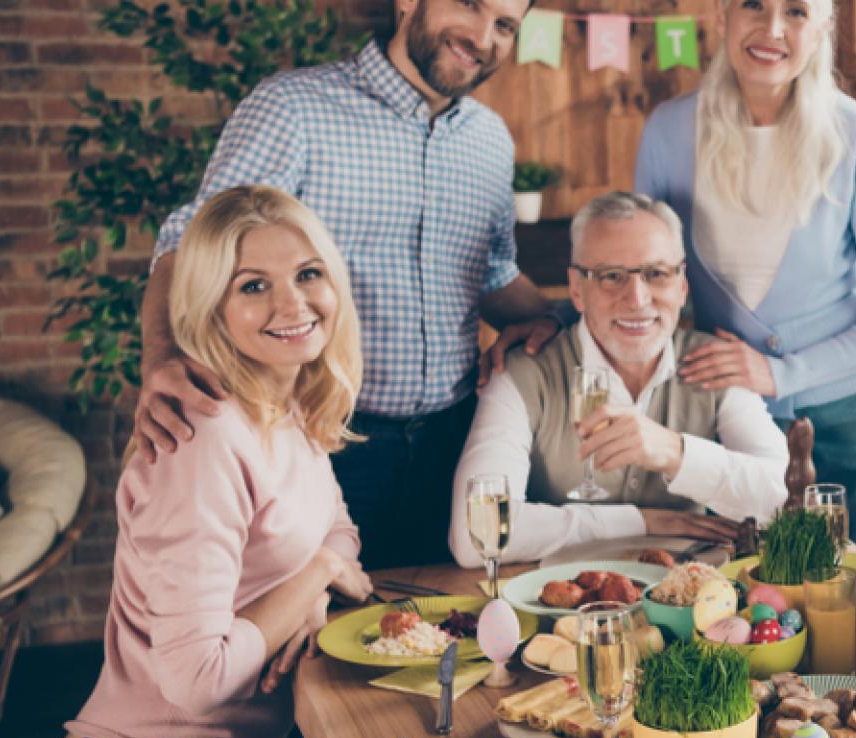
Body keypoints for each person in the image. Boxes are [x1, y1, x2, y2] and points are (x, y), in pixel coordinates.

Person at [133, 0, 555, 570]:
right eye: (471, 5)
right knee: (321, 637)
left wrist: (561, 323)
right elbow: (192, 241)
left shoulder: (491, 141)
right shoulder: (293, 108)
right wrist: (160, 355)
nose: (484, 36)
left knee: (444, 634)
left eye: (505, 25)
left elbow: (493, 274)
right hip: (324, 438)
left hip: (453, 441)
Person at [61, 186, 374, 738]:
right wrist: (321, 576)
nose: (293, 304)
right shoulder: (204, 437)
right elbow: (197, 681)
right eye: (253, 286)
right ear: (211, 309)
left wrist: (308, 597)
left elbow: (337, 527)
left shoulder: (286, 403)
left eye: (308, 274)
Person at [633, 0, 856, 563]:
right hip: (741, 417)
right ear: (722, 13)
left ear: (822, 28)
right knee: (750, 596)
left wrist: (780, 372)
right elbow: (645, 274)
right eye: (754, 4)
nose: (771, 29)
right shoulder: (669, 132)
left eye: (796, 12)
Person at [450, 192, 786, 567]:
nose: (638, 299)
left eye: (656, 274)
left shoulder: (715, 364)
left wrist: (676, 453)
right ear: (577, 289)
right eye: (611, 276)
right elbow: (472, 534)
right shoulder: (522, 374)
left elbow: (781, 498)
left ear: (682, 285)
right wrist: (641, 521)